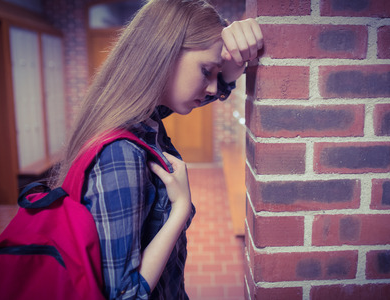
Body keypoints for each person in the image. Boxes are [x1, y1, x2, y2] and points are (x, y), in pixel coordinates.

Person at [53, 0, 263, 299]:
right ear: (163, 56)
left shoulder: (141, 118)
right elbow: (124, 294)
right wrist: (180, 210)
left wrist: (232, 61)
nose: (214, 89)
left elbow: (209, 90)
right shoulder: (121, 155)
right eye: (206, 71)